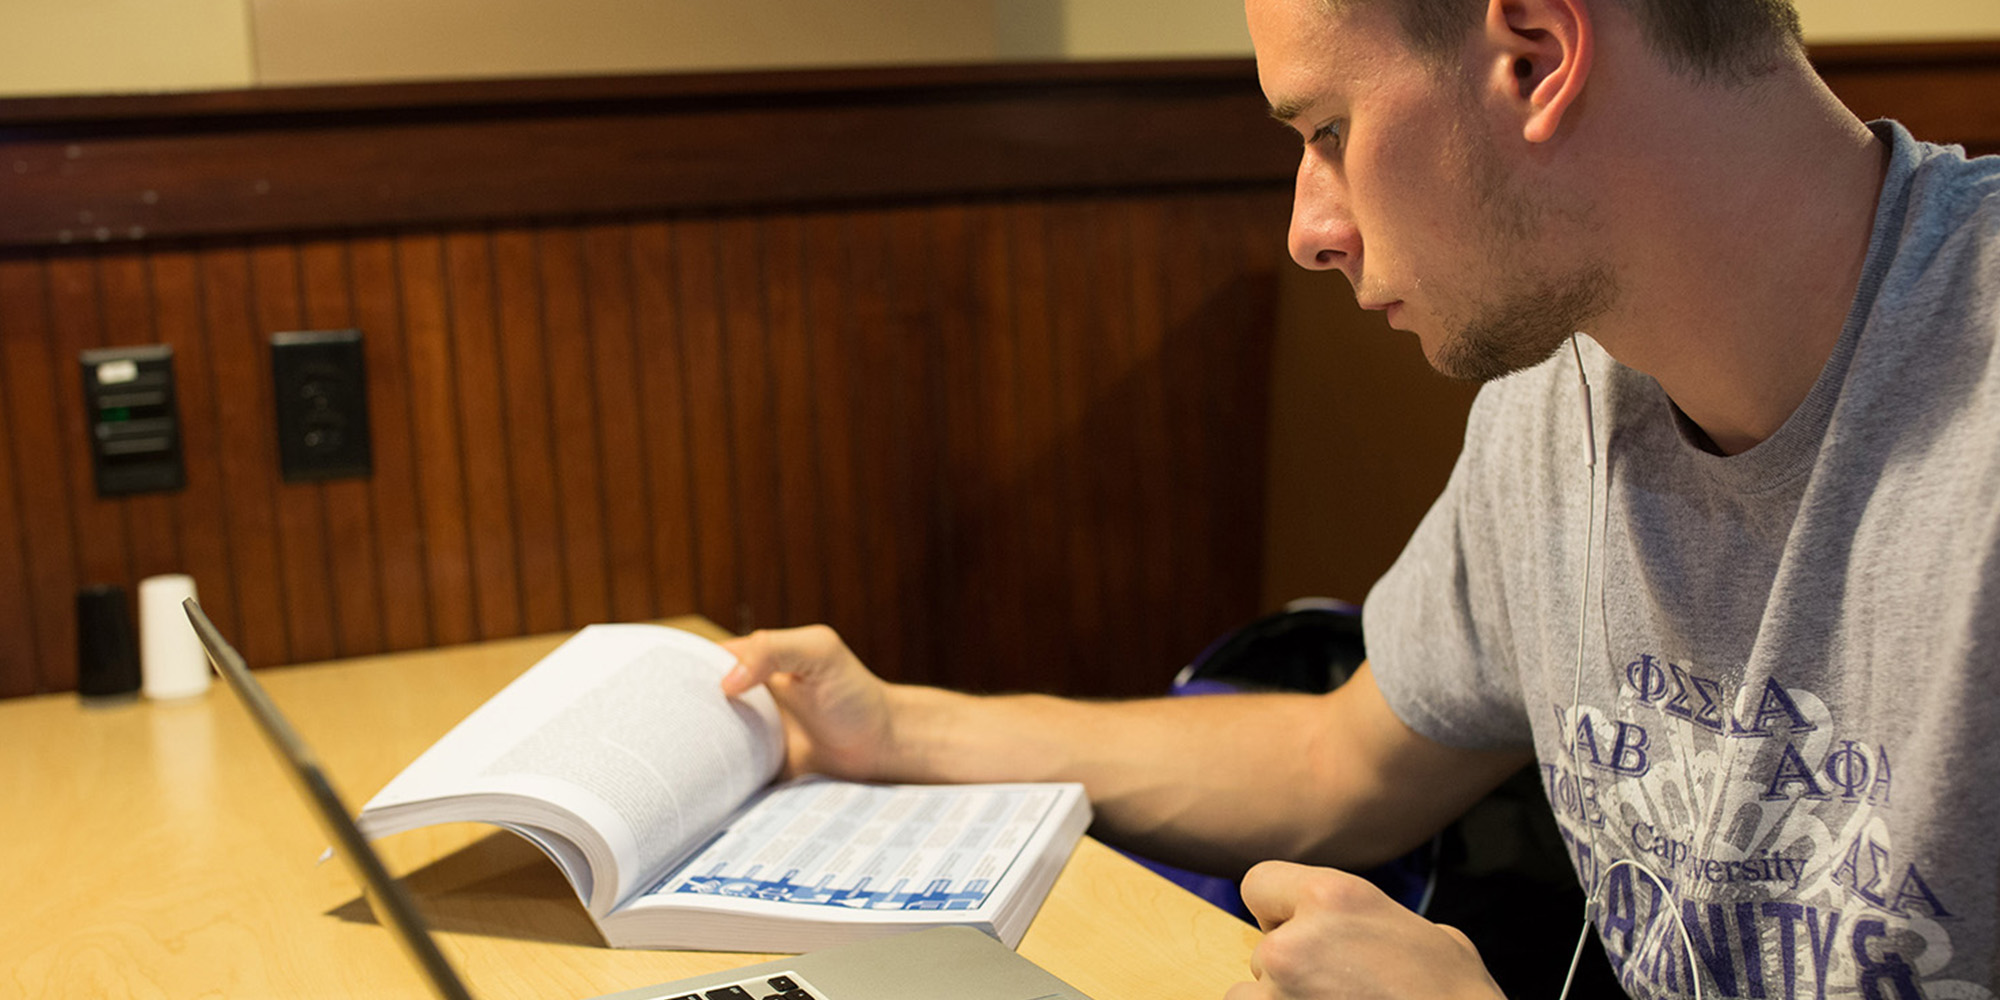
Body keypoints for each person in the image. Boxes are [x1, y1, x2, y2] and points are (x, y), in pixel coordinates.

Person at [719, 0, 2000, 996]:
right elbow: (1339, 758)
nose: (1308, 228)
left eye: (1327, 130)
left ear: (1535, 54)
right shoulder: (1561, 388)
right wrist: (898, 731)